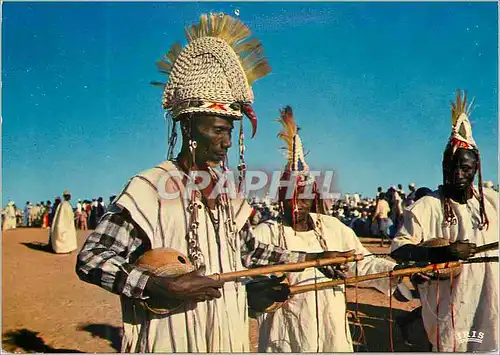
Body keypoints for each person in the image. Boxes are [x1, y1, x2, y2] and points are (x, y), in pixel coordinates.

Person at [75, 14, 339, 353]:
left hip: (226, 334)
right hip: (170, 336)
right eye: (217, 130)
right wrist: (156, 287)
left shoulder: (227, 193)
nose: (226, 142)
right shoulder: (149, 187)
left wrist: (315, 258)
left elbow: (250, 251)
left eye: (230, 131)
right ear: (188, 129)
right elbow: (93, 258)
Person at [248, 106, 400, 352]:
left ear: (313, 197)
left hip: (332, 333)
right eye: (290, 195)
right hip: (286, 338)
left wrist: (399, 271)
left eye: (304, 196)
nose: (297, 202)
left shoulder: (331, 228)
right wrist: (265, 291)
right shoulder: (267, 233)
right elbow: (249, 282)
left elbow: (364, 263)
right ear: (280, 198)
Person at [391, 90, 498, 352]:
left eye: (466, 168)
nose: (459, 174)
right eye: (453, 167)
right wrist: (442, 252)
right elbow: (399, 249)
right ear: (443, 166)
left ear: (476, 168)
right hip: (450, 305)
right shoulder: (427, 206)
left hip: (491, 300)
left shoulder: (493, 203)